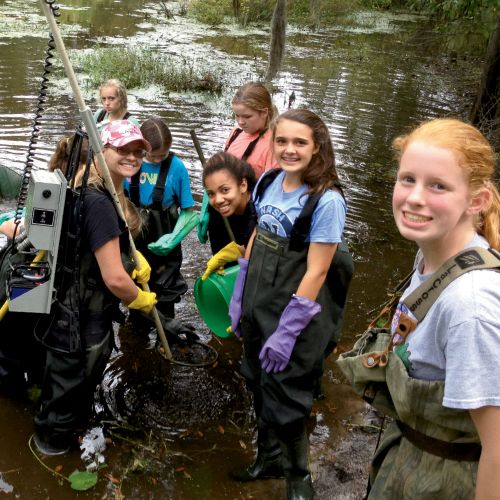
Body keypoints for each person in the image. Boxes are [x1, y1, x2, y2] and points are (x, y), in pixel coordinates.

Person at [338, 118, 500, 499]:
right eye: (407, 179)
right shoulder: (433, 256)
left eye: (438, 186)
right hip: (409, 453)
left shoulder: (470, 306)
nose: (414, 197)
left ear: (476, 201)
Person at [229, 109, 348, 499]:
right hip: (258, 302)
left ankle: (299, 480)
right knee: (256, 379)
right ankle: (268, 460)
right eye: (282, 141)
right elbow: (256, 235)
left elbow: (317, 270)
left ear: (317, 147)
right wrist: (239, 292)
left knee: (287, 395)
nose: (289, 150)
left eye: (300, 142)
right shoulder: (267, 180)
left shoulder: (326, 201)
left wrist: (287, 331)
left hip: (295, 311)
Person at [32, 120, 157, 455]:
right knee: (65, 400)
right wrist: (142, 301)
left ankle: (62, 441)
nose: (132, 157)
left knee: (64, 390)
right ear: (102, 151)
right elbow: (114, 279)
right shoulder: (100, 203)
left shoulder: (87, 184)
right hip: (81, 319)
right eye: (123, 149)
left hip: (66, 307)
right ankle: (50, 457)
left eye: (138, 151)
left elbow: (91, 246)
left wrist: (132, 257)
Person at [124, 117, 198, 319]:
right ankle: (136, 329)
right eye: (151, 156)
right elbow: (118, 200)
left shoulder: (177, 168)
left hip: (166, 240)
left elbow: (189, 211)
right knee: (137, 293)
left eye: (162, 155)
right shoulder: (130, 164)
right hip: (136, 240)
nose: (157, 160)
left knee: (166, 295)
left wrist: (174, 238)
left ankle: (166, 330)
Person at [198, 82, 278, 247]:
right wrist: (207, 206)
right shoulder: (236, 132)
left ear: (264, 112)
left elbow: (272, 192)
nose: (241, 122)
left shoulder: (274, 144)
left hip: (247, 217)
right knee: (220, 257)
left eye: (247, 117)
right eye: (237, 116)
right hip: (222, 209)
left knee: (240, 260)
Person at [201, 152, 257, 278]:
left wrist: (241, 251)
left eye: (225, 190)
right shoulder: (216, 212)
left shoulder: (262, 209)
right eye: (211, 193)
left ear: (243, 185)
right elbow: (219, 253)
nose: (218, 200)